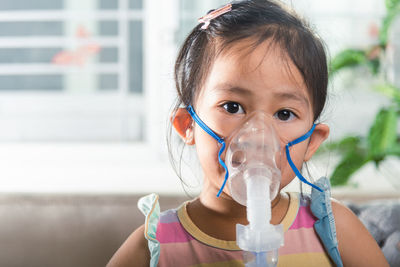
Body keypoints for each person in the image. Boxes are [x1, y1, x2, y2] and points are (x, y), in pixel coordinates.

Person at [107, 0, 389, 266]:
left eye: (284, 114)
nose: (257, 136)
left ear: (311, 141)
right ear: (187, 125)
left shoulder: (335, 231)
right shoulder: (152, 248)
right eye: (232, 107)